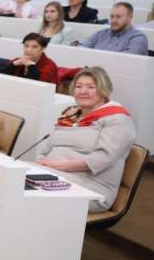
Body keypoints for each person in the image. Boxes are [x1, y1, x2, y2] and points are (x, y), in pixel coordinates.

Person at [36, 67, 136, 213]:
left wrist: (57, 166)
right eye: (78, 86)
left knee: (23, 192)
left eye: (91, 87)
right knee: (14, 179)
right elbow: (48, 148)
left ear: (104, 90)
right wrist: (40, 165)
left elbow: (103, 158)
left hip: (91, 187)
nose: (83, 91)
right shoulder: (72, 113)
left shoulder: (118, 119)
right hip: (54, 174)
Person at [77, 3, 149, 55]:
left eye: (118, 16)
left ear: (129, 17)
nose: (113, 20)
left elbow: (125, 61)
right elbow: (80, 50)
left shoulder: (138, 38)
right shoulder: (99, 34)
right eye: (112, 16)